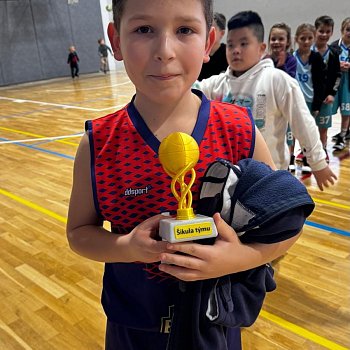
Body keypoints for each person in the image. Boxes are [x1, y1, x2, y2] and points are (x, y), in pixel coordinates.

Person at [66, 2, 303, 349]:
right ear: (115, 40)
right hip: (133, 329)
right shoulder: (98, 143)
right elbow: (78, 233)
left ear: (208, 42)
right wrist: (127, 246)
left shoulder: (238, 129)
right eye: (144, 30)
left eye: (184, 31)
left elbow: (287, 222)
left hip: (214, 322)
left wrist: (241, 257)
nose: (165, 51)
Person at [194, 11, 336, 190]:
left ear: (261, 48)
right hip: (229, 179)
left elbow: (303, 123)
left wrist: (318, 163)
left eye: (244, 43)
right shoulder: (218, 84)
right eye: (230, 45)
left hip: (269, 176)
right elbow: (193, 89)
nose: (236, 50)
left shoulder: (278, 80)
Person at [267, 22, 297, 171]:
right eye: (273, 39)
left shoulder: (291, 60)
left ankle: (286, 163)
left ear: (288, 42)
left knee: (285, 137)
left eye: (280, 39)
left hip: (283, 107)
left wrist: (281, 65)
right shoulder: (264, 60)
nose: (276, 42)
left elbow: (287, 82)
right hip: (268, 107)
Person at [312, 16, 341, 157]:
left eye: (327, 31)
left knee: (323, 128)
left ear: (332, 32)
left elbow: (337, 76)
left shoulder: (334, 53)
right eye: (321, 31)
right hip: (310, 99)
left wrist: (332, 94)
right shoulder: (307, 52)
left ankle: (322, 151)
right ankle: (306, 153)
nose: (324, 34)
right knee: (306, 128)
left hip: (326, 99)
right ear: (315, 31)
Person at [330, 17, 350, 150]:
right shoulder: (334, 46)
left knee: (346, 110)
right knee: (330, 109)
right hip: (335, 83)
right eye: (348, 30)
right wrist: (337, 65)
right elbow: (327, 64)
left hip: (347, 84)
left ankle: (343, 135)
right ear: (342, 30)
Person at [198, 12, 228, 80]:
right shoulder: (198, 52)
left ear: (222, 33)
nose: (208, 32)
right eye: (205, 29)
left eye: (212, 29)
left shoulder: (227, 53)